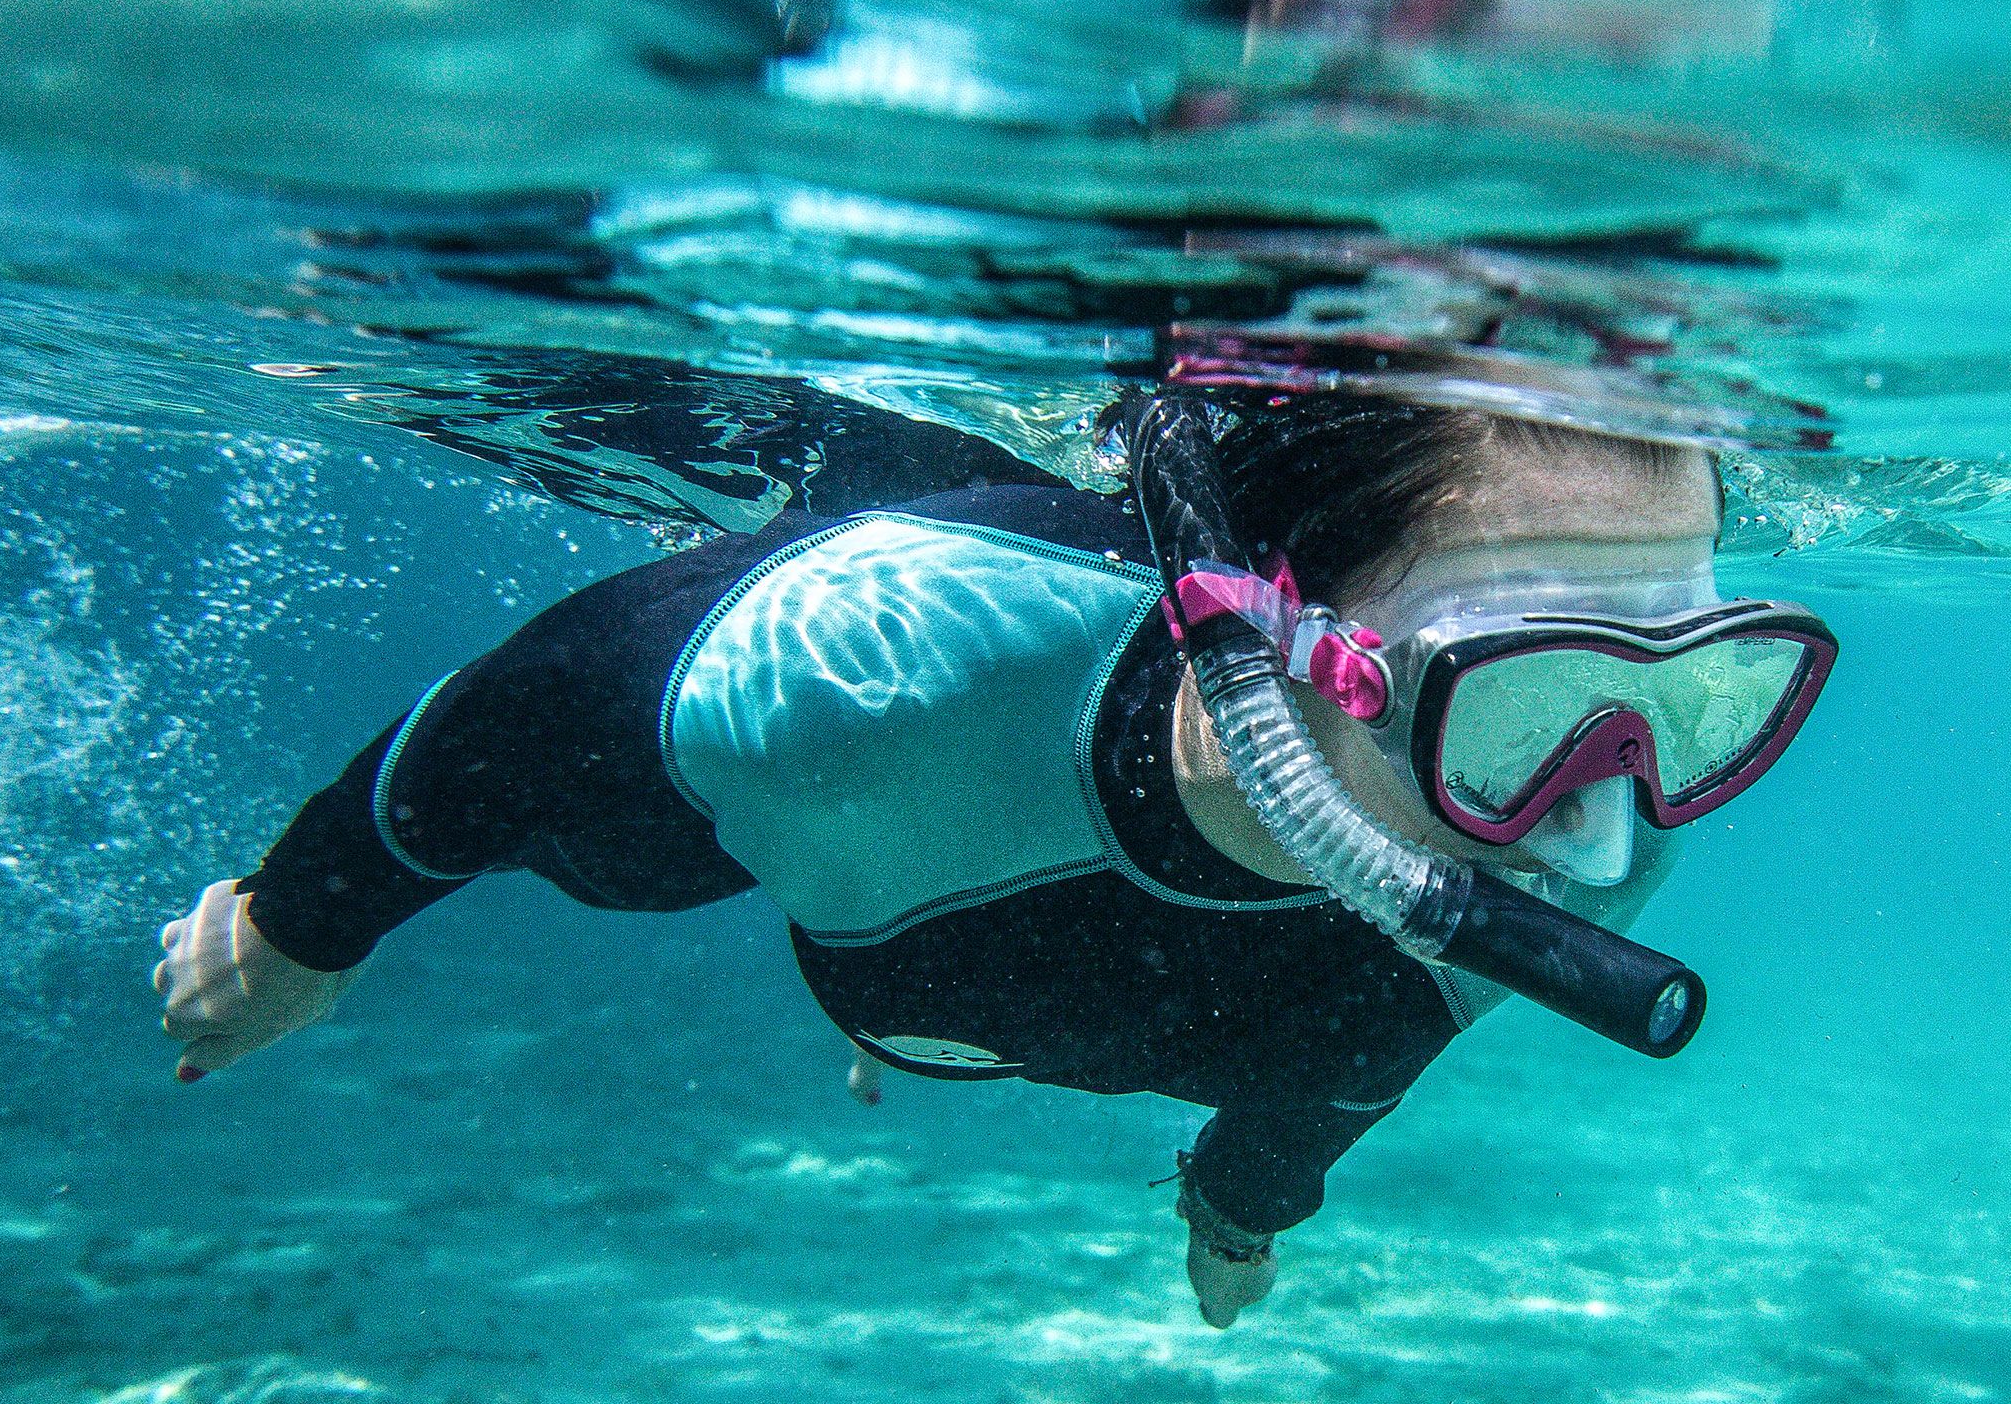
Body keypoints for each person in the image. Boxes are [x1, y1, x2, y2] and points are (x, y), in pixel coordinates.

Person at [153, 388, 1834, 1327]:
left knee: (1328, 1017)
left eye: (1688, 695)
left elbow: (1341, 1077)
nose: (1607, 824)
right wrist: (303, 928)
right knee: (695, 842)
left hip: (1011, 949)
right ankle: (882, 1016)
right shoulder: (868, 677)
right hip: (894, 878)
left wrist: (1245, 1214)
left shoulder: (1556, 858)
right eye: (1531, 693)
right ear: (1274, 637)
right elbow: (504, 729)